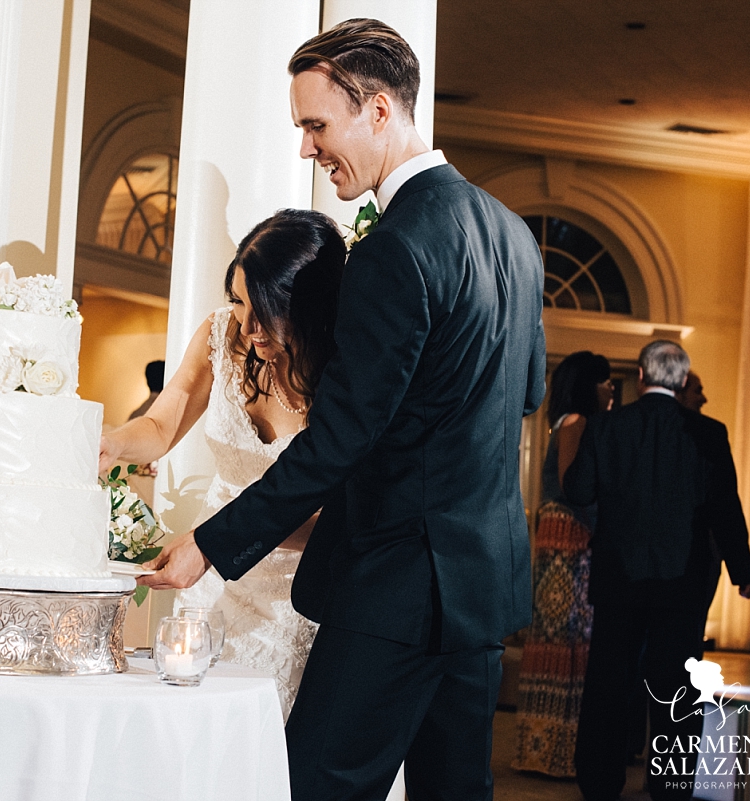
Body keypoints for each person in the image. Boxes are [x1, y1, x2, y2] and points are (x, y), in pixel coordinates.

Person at [140, 19, 546, 800]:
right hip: (481, 590)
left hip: (397, 586)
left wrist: (212, 543)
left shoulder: (396, 247)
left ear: (381, 111)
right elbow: (522, 395)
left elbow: (339, 441)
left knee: (314, 786)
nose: (307, 148)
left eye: (317, 125)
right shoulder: (514, 237)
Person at [99, 208, 346, 714]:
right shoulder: (221, 337)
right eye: (239, 301)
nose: (249, 325)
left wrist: (223, 538)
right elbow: (162, 424)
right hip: (209, 582)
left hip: (299, 593)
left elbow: (342, 517)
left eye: (268, 309)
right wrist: (116, 444)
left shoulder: (347, 370)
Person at [563, 340, 750, 801]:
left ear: (644, 377)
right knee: (676, 691)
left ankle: (599, 782)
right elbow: (724, 508)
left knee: (609, 687)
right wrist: (741, 569)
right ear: (681, 379)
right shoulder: (709, 433)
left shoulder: (607, 427)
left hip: (618, 581)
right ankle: (669, 786)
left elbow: (578, 489)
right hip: (680, 583)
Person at [513, 351, 612, 777]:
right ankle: (557, 750)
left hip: (557, 533)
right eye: (604, 381)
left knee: (558, 638)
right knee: (568, 639)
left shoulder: (563, 421)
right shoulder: (577, 423)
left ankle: (545, 749)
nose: (610, 388)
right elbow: (574, 486)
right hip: (569, 534)